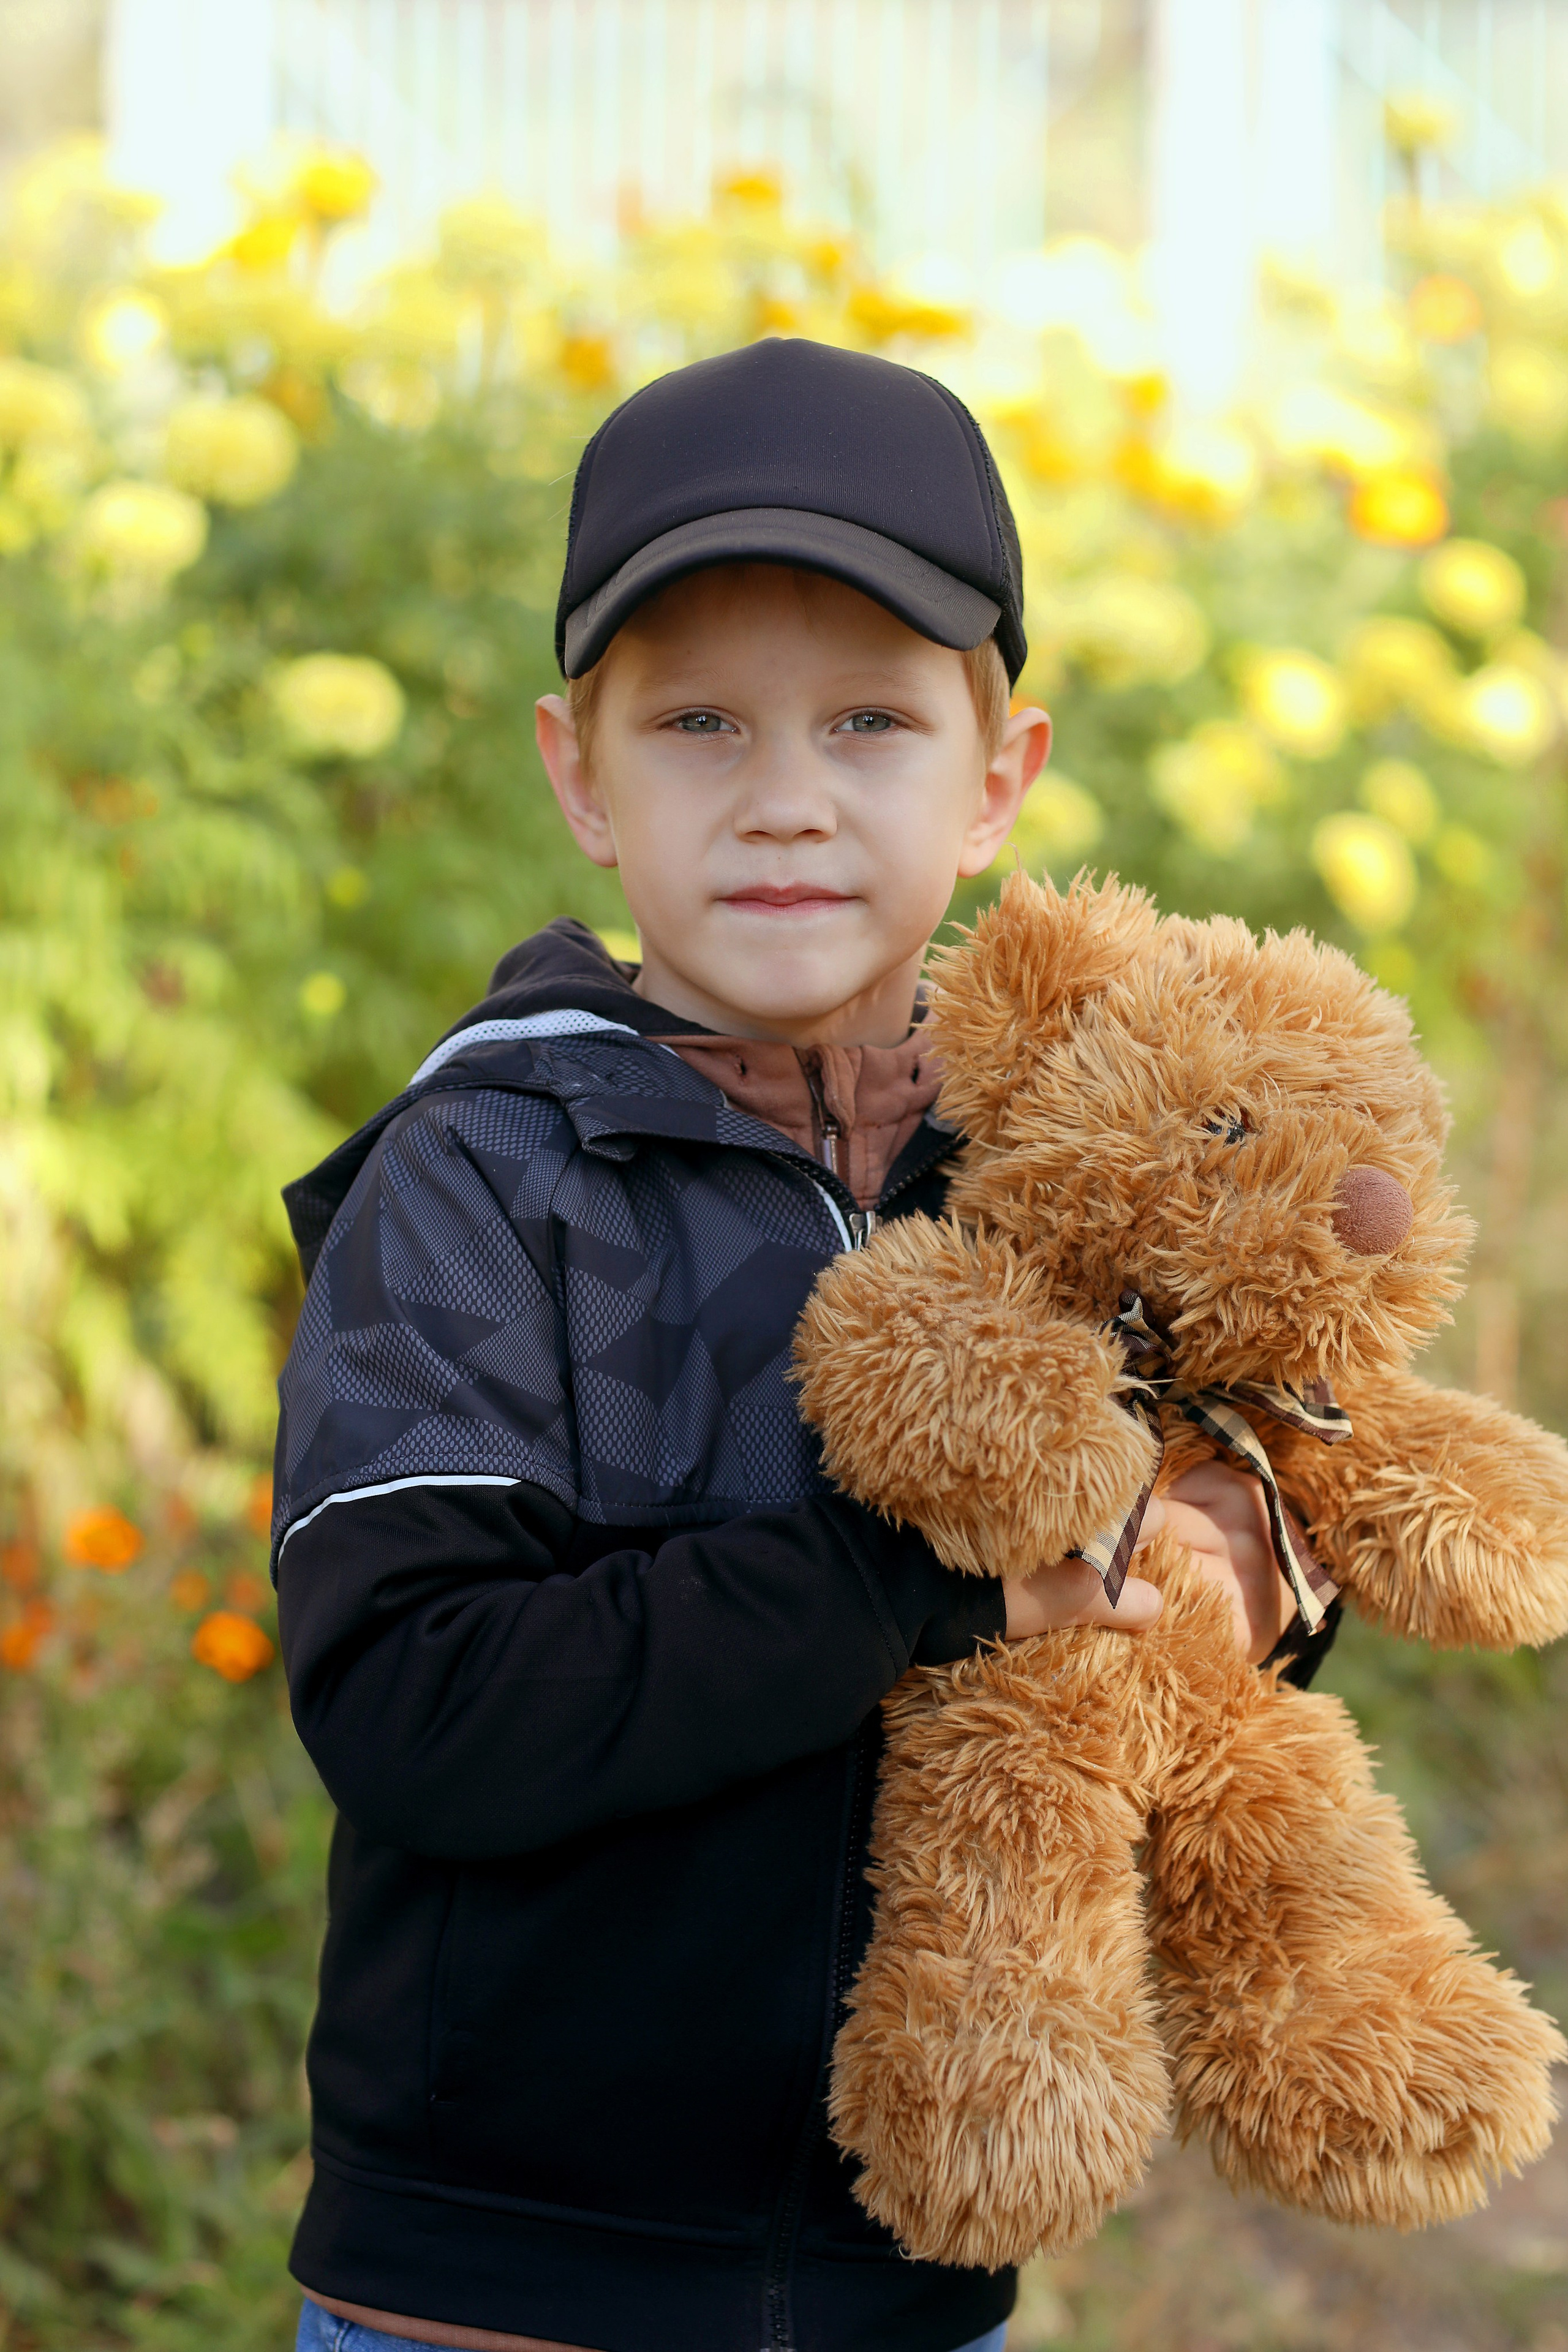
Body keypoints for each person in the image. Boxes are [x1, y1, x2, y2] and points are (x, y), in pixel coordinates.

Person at [274, 339, 1329, 2352]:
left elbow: (1217, 1499)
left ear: (998, 779)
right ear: (580, 775)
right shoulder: (488, 1176)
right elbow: (419, 1700)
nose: (785, 800)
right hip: (504, 2286)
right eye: (698, 723)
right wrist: (925, 1577)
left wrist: (1238, 1559)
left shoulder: (1052, 1169)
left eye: (868, 720)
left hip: (913, 2278)